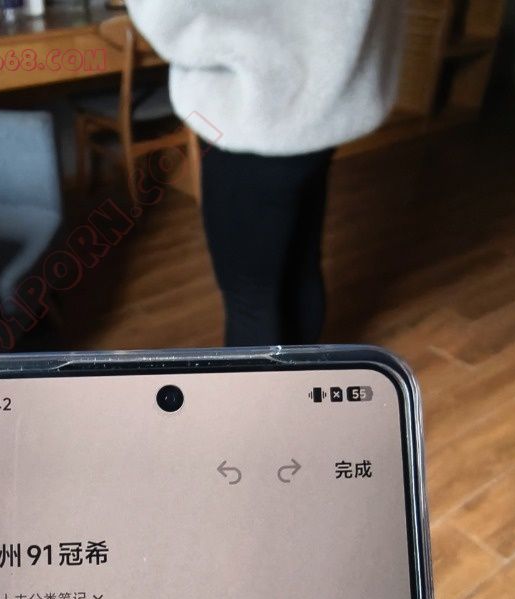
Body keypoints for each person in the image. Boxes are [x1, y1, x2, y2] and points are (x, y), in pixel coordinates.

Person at [126, 0, 406, 346]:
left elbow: (169, 12)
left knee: (251, 298)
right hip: (327, 99)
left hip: (250, 108)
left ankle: (267, 384)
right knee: (299, 266)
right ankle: (302, 379)